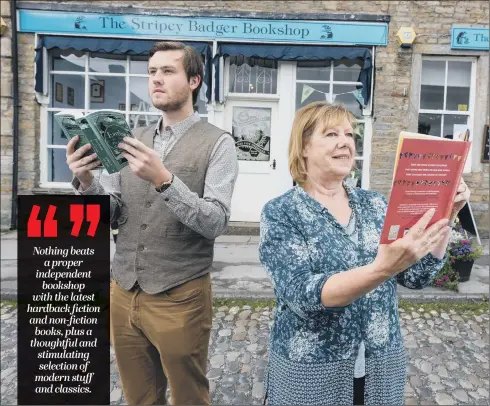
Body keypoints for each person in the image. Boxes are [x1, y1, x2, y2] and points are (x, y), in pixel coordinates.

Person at [258, 101, 470, 405]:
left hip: (380, 365)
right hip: (311, 372)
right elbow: (301, 295)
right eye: (331, 134)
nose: (345, 142)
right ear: (303, 147)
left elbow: (416, 275)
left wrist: (445, 216)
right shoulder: (282, 212)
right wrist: (380, 270)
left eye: (349, 134)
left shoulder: (376, 205)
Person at [67, 41, 239, 405]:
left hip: (180, 295)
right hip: (123, 291)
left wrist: (164, 180)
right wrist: (85, 183)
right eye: (152, 72)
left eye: (168, 71)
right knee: (139, 396)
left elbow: (216, 222)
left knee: (189, 395)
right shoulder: (129, 139)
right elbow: (111, 213)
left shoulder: (218, 143)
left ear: (194, 80)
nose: (156, 79)